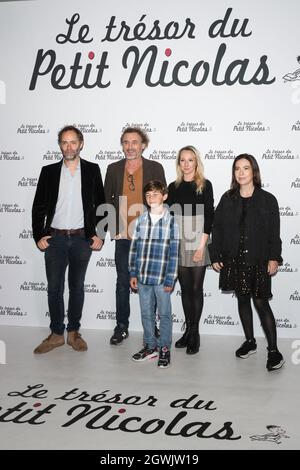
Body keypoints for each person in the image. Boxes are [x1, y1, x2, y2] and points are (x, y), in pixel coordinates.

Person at [32, 125, 106, 354]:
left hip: (82, 239)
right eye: (64, 142)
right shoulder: (49, 171)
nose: (69, 146)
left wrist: (100, 235)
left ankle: (73, 333)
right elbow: (38, 207)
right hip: (55, 240)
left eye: (73, 142)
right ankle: (56, 334)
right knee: (54, 288)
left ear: (81, 144)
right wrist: (39, 236)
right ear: (60, 145)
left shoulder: (93, 170)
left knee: (76, 287)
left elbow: (102, 205)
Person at [209, 154, 284, 371]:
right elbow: (218, 229)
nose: (241, 173)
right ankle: (250, 341)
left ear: (254, 172)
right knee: (242, 299)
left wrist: (273, 258)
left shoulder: (268, 199)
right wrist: (215, 255)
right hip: (235, 260)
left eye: (246, 168)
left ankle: (273, 350)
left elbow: (274, 232)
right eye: (237, 169)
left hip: (259, 259)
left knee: (261, 302)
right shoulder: (227, 198)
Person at [104, 127, 166, 345]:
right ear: (122, 145)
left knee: (151, 283)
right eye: (125, 142)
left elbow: (161, 200)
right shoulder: (112, 169)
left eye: (134, 142)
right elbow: (107, 202)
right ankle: (121, 326)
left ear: (143, 145)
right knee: (122, 282)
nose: (130, 146)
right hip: (123, 235)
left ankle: (153, 326)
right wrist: (113, 228)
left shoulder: (155, 167)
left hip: (149, 235)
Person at [167, 146, 214, 354]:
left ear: (197, 163)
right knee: (185, 290)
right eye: (183, 160)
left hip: (198, 241)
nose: (186, 164)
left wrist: (201, 247)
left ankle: (195, 333)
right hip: (179, 241)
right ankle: (188, 330)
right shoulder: (173, 187)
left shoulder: (204, 185)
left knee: (196, 289)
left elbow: (210, 217)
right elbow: (166, 215)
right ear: (179, 164)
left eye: (190, 160)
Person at [129, 181, 179, 368]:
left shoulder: (172, 222)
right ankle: (150, 346)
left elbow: (174, 252)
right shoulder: (140, 220)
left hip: (161, 278)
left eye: (155, 194)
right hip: (143, 277)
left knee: (164, 314)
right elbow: (134, 249)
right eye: (148, 195)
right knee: (146, 313)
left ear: (164, 196)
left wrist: (170, 278)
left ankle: (164, 348)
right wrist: (133, 272)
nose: (151, 198)